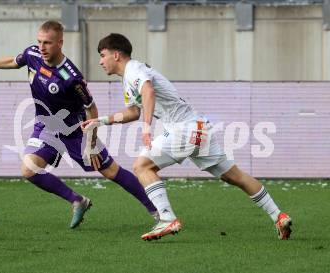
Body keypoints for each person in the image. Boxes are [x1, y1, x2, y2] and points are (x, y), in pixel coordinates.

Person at [82, 33, 292, 240]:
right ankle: (279, 216)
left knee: (142, 166)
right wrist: (101, 121)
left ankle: (167, 219)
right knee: (234, 176)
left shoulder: (133, 69)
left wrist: (146, 128)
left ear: (116, 55)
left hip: (182, 128)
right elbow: (133, 112)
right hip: (198, 128)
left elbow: (148, 92)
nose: (100, 61)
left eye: (102, 55)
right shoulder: (129, 78)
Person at [0, 21, 157, 229]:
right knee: (29, 169)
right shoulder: (33, 55)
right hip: (46, 127)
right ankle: (77, 200)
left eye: (47, 43)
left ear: (60, 43)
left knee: (110, 171)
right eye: (39, 42)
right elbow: (12, 61)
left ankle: (155, 209)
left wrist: (91, 141)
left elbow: (91, 109)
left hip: (75, 130)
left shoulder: (71, 77)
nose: (42, 47)